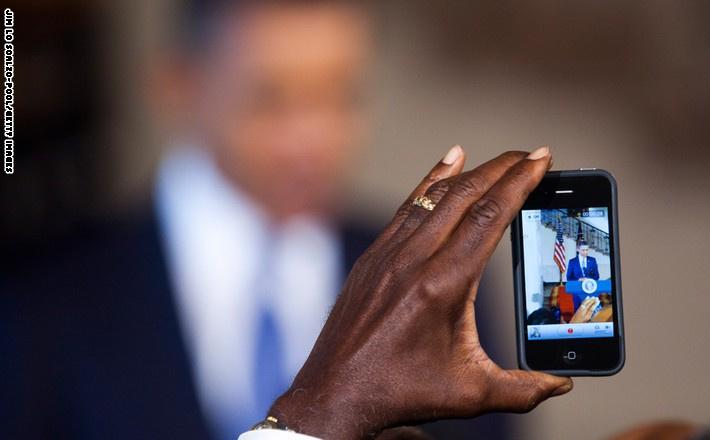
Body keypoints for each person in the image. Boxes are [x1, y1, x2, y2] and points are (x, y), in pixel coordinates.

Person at [0, 1, 508, 439]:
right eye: (270, 99)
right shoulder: (42, 298)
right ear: (178, 85)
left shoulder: (432, 278)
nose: (313, 137)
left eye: (341, 94)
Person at [233, 146, 570, 439]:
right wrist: (320, 417)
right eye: (269, 104)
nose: (310, 135)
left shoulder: (428, 266)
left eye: (339, 102)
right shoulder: (398, 265)